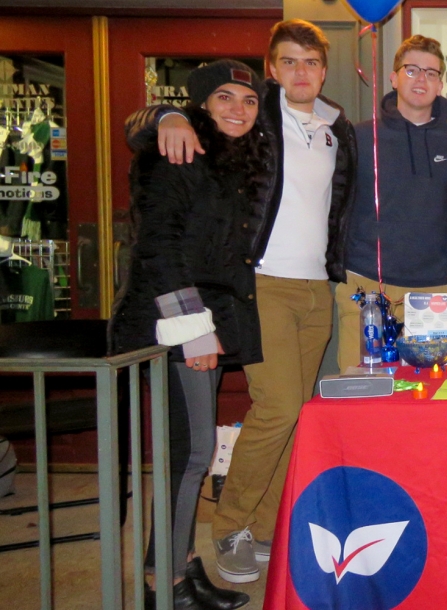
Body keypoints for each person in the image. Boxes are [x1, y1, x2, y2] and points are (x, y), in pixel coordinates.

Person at [126, 20, 358, 585]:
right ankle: (229, 525)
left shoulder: (337, 129)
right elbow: (149, 127)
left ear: (323, 71)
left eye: (311, 63)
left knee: (299, 414)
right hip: (263, 285)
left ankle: (264, 529)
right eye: (289, 62)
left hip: (316, 288)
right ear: (272, 68)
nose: (301, 72)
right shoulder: (255, 120)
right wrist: (167, 115)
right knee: (276, 407)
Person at [110, 59, 270, 610]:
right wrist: (194, 332)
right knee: (192, 453)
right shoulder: (172, 149)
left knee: (190, 452)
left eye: (248, 101)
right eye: (224, 98)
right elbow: (158, 246)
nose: (237, 109)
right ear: (200, 103)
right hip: (173, 326)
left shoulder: (227, 158)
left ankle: (176, 568)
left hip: (204, 321)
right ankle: (165, 589)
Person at [339, 35, 447, 370]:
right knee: (360, 390)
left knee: (426, 396)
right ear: (394, 77)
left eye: (430, 72)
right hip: (366, 285)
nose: (421, 79)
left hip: (432, 289)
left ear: (440, 83)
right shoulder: (359, 136)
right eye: (411, 70)